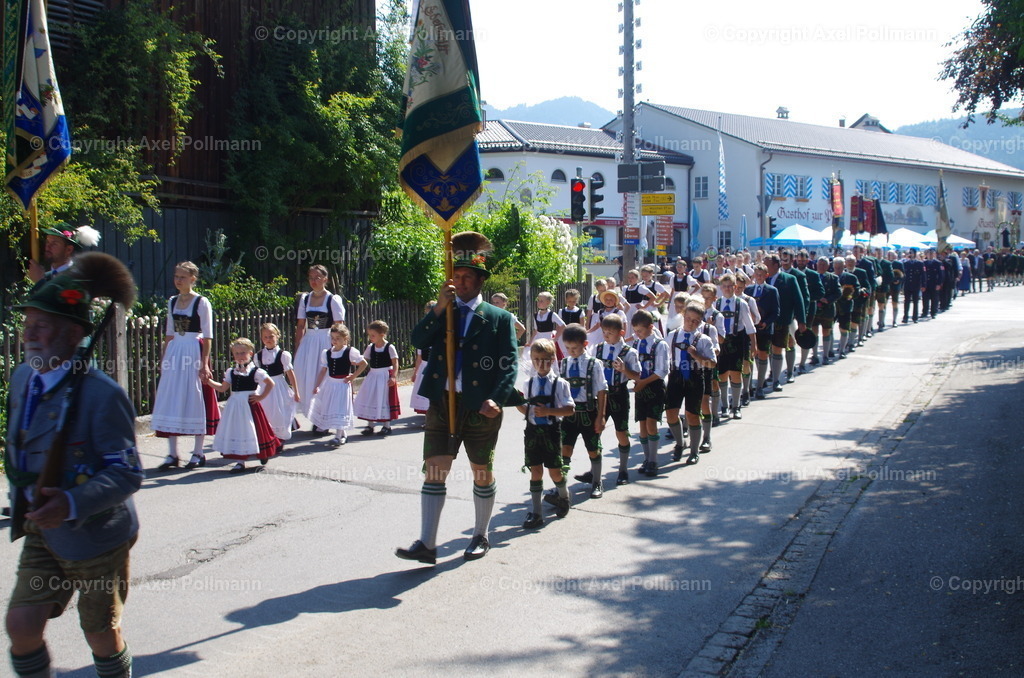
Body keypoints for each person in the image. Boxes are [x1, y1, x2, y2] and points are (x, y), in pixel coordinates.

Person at [6, 254, 141, 678]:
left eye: (42, 326)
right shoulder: (22, 379)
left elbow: (127, 472)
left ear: (72, 333)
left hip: (96, 535)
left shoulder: (101, 395)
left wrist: (69, 502)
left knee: (99, 632)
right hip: (42, 528)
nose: (30, 334)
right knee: (21, 625)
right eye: (28, 324)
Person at [396, 232, 519, 564]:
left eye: (467, 277)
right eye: (457, 276)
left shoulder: (500, 318)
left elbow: (509, 365)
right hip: (442, 402)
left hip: (480, 407)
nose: (461, 282)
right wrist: (438, 307)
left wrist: (497, 397)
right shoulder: (442, 311)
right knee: (435, 470)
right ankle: (427, 543)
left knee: (481, 470)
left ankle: (481, 534)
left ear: (480, 280)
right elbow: (417, 339)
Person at [151, 261, 218, 471]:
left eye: (182, 277)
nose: (178, 280)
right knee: (172, 398)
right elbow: (169, 333)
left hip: (193, 350)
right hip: (175, 352)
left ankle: (198, 452)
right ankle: (172, 453)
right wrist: (164, 359)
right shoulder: (172, 301)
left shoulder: (201, 302)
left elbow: (208, 336)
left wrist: (204, 363)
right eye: (176, 276)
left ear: (192, 279)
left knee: (195, 398)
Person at [518, 340, 576, 529]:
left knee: (555, 471)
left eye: (545, 360)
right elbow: (527, 410)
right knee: (535, 471)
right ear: (532, 360)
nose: (541, 364)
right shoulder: (528, 383)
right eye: (536, 360)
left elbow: (569, 410)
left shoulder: (561, 384)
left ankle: (564, 497)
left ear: (552, 360)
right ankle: (536, 512)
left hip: (551, 431)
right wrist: (516, 402)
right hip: (533, 432)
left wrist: (549, 412)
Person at [206, 338, 281, 473]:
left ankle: (263, 453)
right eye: (236, 353)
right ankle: (240, 461)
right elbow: (223, 388)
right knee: (238, 431)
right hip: (235, 405)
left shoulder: (256, 371)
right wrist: (209, 381)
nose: (239, 356)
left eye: (242, 353)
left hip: (249, 405)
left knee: (256, 430)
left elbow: (270, 383)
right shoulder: (231, 371)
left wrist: (260, 397)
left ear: (250, 354)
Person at [292, 265, 346, 425]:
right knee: (306, 377)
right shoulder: (305, 299)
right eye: (311, 277)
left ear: (325, 279)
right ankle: (313, 415)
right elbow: (301, 325)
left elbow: (339, 326)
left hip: (326, 340)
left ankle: (324, 417)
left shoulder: (332, 300)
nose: (313, 281)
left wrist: (338, 348)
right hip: (309, 342)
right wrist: (298, 347)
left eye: (317, 277)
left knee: (323, 379)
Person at [665, 301, 717, 465]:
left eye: (696, 321)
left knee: (692, 415)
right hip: (676, 375)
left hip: (695, 377)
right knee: (671, 413)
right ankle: (680, 443)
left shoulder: (704, 340)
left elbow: (712, 363)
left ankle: (694, 451)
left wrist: (697, 356)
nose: (691, 323)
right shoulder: (672, 335)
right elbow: (664, 356)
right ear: (683, 316)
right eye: (688, 318)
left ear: (701, 321)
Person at [592, 313, 641, 485]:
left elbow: (637, 376)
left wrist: (624, 370)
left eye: (610, 332)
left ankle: (623, 469)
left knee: (621, 431)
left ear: (621, 332)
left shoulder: (629, 352)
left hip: (619, 393)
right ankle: (594, 472)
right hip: (601, 395)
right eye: (604, 332)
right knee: (595, 431)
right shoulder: (597, 349)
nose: (606, 335)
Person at [560, 324, 608, 499]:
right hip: (569, 414)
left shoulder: (594, 364)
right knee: (565, 448)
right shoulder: (564, 363)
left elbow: (602, 390)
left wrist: (601, 417)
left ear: (585, 344)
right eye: (567, 348)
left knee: (593, 449)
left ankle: (597, 481)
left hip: (589, 412)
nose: (571, 351)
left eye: (575, 348)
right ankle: (561, 486)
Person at [309, 323, 366, 445]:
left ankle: (338, 436)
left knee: (341, 409)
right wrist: (317, 385)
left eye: (338, 338)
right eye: (333, 338)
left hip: (342, 385)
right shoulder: (327, 353)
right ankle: (342, 434)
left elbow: (364, 363)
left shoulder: (350, 351)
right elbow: (323, 371)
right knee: (332, 408)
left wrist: (353, 376)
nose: (334, 341)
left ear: (345, 339)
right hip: (330, 384)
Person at [631, 310, 669, 477]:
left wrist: (642, 383)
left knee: (651, 424)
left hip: (654, 387)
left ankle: (653, 460)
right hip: (640, 387)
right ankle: (646, 459)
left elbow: (662, 371)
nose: (637, 334)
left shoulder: (660, 344)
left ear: (651, 327)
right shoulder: (636, 344)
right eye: (635, 331)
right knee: (642, 425)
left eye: (640, 331)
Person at [714, 274, 756, 420]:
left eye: (730, 286)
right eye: (724, 286)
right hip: (721, 342)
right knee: (722, 375)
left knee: (736, 374)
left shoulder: (741, 303)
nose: (727, 289)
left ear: (735, 287)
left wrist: (753, 346)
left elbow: (750, 327)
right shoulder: (716, 304)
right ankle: (724, 406)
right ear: (720, 288)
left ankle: (736, 406)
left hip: (736, 340)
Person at [764, 254, 806, 388]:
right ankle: (773, 374)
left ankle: (788, 372)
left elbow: (799, 301)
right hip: (767, 322)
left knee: (786, 345)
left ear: (776, 266)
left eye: (767, 265)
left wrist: (801, 321)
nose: (764, 268)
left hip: (785, 320)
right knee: (769, 349)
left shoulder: (790, 279)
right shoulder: (762, 280)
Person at [353, 320, 401, 436]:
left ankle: (386, 426)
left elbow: (395, 363)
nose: (370, 338)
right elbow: (364, 360)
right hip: (373, 376)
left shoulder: (389, 347)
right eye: (369, 335)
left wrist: (393, 376)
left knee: (384, 399)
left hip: (384, 376)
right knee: (371, 398)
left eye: (373, 335)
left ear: (382, 334)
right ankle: (370, 425)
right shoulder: (371, 347)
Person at [255, 323, 299, 447]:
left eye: (271, 336)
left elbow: (290, 374)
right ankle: (268, 437)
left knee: (279, 412)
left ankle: (279, 438)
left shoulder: (283, 355)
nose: (268, 339)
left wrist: (296, 391)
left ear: (277, 336)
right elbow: (256, 375)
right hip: (264, 387)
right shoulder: (258, 356)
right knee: (266, 412)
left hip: (278, 386)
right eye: (265, 337)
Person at [745, 265, 779, 400]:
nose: (758, 277)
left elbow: (776, 311)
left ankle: (760, 386)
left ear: (766, 275)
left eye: (761, 274)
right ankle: (748, 387)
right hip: (750, 329)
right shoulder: (748, 290)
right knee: (750, 356)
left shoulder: (772, 291)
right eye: (756, 274)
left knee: (763, 354)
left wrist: (766, 322)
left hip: (764, 328)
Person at [26, 224, 101, 284]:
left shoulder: (78, 278)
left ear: (68, 250)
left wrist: (39, 282)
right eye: (47, 242)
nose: (48, 246)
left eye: (54, 243)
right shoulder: (46, 276)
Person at [811, 257, 841, 366]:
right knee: (814, 331)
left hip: (828, 309)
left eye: (824, 264)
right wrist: (817, 298)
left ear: (828, 266)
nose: (821, 266)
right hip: (815, 308)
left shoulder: (833, 278)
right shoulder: (813, 276)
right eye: (820, 264)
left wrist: (828, 300)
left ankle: (826, 355)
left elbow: (838, 293)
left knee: (826, 331)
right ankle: (814, 355)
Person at [410, 302, 437, 416]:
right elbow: (419, 357)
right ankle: (428, 415)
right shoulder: (424, 334)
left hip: (435, 367)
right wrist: (415, 373)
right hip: (424, 367)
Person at [833, 256, 860, 358]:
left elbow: (857, 291)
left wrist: (850, 295)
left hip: (846, 307)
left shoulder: (851, 277)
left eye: (839, 267)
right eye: (835, 267)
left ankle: (842, 350)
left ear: (843, 266)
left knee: (844, 328)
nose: (837, 270)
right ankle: (830, 350)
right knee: (829, 328)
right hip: (833, 307)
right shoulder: (831, 277)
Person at [902, 248, 925, 323]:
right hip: (907, 285)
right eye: (909, 253)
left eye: (911, 253)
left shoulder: (920, 263)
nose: (910, 254)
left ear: (915, 254)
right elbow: (903, 275)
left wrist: (923, 285)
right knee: (907, 301)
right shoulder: (905, 263)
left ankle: (915, 317)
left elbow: (923, 275)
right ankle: (905, 317)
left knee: (915, 301)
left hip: (916, 285)